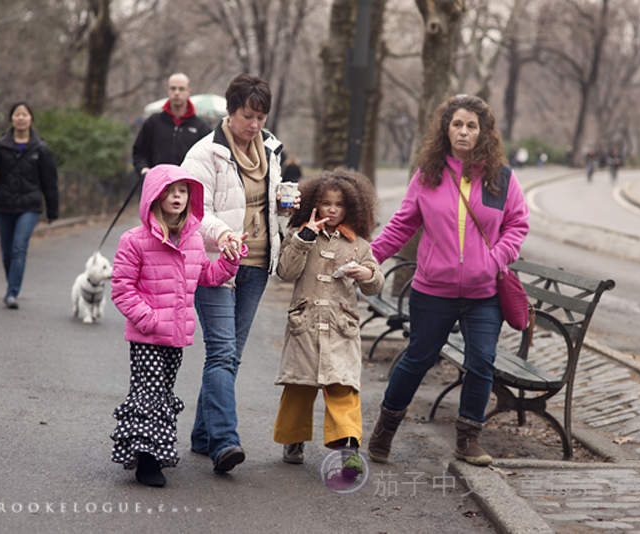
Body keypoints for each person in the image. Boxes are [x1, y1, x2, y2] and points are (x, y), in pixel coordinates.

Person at [366, 94, 530, 466]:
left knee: (481, 361)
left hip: (484, 292)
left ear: (483, 132)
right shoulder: (428, 175)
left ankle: (468, 439)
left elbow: (517, 224)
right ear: (446, 129)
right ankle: (385, 429)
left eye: (472, 125)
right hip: (432, 290)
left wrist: (495, 259)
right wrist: (368, 257)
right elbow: (401, 226)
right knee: (417, 359)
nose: (464, 131)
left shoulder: (501, 178)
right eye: (457, 124)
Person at [181, 73, 298, 473]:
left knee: (230, 357)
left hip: (257, 263)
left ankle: (201, 435)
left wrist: (286, 208)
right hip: (215, 265)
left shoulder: (271, 149)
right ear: (230, 111)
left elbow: (271, 207)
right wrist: (224, 233)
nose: (254, 125)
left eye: (261, 117)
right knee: (222, 352)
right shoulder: (204, 154)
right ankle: (225, 442)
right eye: (248, 115)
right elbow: (195, 212)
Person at [109, 164, 246, 487]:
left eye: (183, 191)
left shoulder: (194, 241)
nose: (176, 197)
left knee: (162, 392)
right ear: (154, 196)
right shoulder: (134, 240)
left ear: (190, 198)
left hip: (176, 338)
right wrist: (149, 320)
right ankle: (147, 460)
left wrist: (231, 257)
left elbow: (208, 277)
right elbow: (121, 288)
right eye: (170, 191)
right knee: (150, 393)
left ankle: (146, 451)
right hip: (147, 336)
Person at [273, 168, 384, 464]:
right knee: (299, 385)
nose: (332, 210)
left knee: (343, 386)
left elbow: (377, 282)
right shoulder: (300, 235)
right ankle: (293, 440)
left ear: (352, 207)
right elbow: (285, 272)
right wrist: (304, 238)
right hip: (305, 323)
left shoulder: (358, 243)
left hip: (341, 328)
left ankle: (347, 445)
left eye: (339, 204)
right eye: (325, 203)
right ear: (313, 204)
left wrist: (367, 274)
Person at [0, 101, 59, 309]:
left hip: (30, 204)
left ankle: (12, 292)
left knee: (19, 247)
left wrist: (52, 211)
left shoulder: (41, 148)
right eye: (17, 114)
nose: (20, 118)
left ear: (31, 119)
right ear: (11, 119)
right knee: (7, 251)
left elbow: (50, 181)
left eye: (25, 114)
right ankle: (12, 283)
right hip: (4, 204)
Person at [132, 73, 211, 177]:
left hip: (187, 187)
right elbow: (139, 152)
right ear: (168, 90)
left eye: (181, 89)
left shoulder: (201, 127)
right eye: (173, 88)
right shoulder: (153, 122)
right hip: (156, 184)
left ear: (188, 91)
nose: (177, 93)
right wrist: (144, 170)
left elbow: (208, 160)